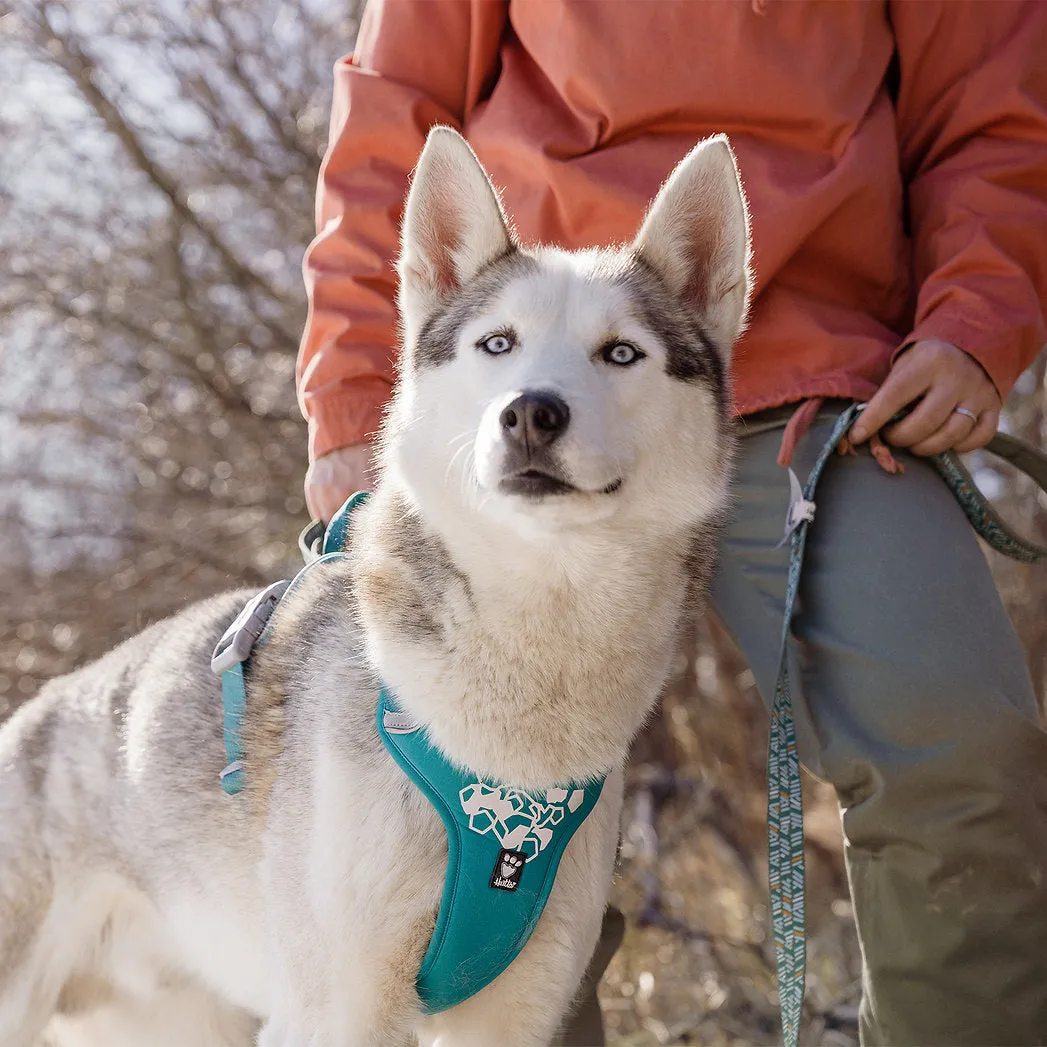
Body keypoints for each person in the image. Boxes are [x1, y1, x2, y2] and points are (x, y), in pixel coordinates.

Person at [295, 3, 1047, 1043]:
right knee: (473, 822)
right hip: (530, 377)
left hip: (833, 391)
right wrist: (347, 401)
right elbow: (396, 115)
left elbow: (991, 105)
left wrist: (975, 321)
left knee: (956, 756)